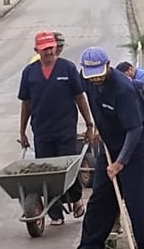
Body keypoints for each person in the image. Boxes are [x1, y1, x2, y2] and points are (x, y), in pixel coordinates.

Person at [69, 47, 144, 249]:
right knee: (100, 198)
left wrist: (119, 163)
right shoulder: (86, 79)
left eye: (99, 72)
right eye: (91, 74)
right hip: (110, 144)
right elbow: (93, 104)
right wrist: (97, 128)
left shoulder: (123, 89)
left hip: (135, 147)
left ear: (107, 66)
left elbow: (134, 130)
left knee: (138, 200)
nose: (95, 78)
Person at [18, 31, 95, 225]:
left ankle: (76, 199)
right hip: (42, 131)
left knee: (67, 169)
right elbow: (26, 104)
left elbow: (79, 97)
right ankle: (55, 213)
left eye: (52, 48)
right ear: (37, 50)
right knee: (47, 173)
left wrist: (89, 124)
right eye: (45, 49)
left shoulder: (67, 69)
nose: (49, 52)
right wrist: (22, 130)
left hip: (65, 130)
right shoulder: (29, 73)